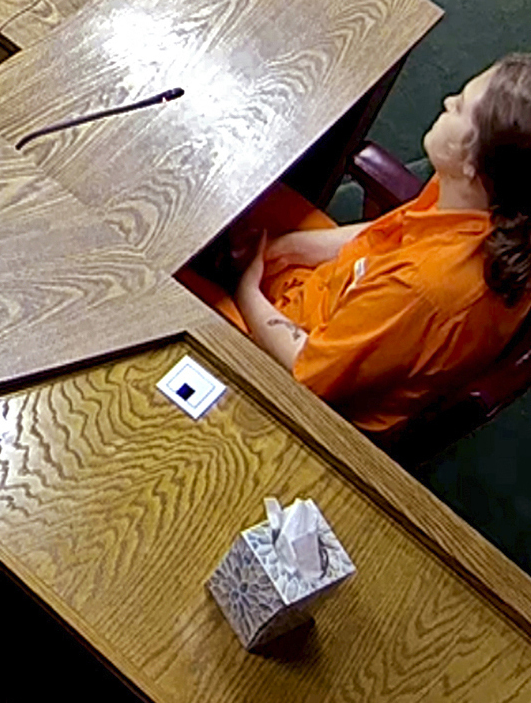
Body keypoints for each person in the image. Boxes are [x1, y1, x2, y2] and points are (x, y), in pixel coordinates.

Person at [186, 56, 531, 435]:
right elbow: (392, 234)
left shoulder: (423, 289)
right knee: (231, 181)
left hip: (306, 374)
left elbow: (308, 371)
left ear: (473, 161)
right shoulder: (481, 198)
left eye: (461, 107)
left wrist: (245, 286)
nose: (448, 100)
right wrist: (288, 248)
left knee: (164, 282)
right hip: (346, 292)